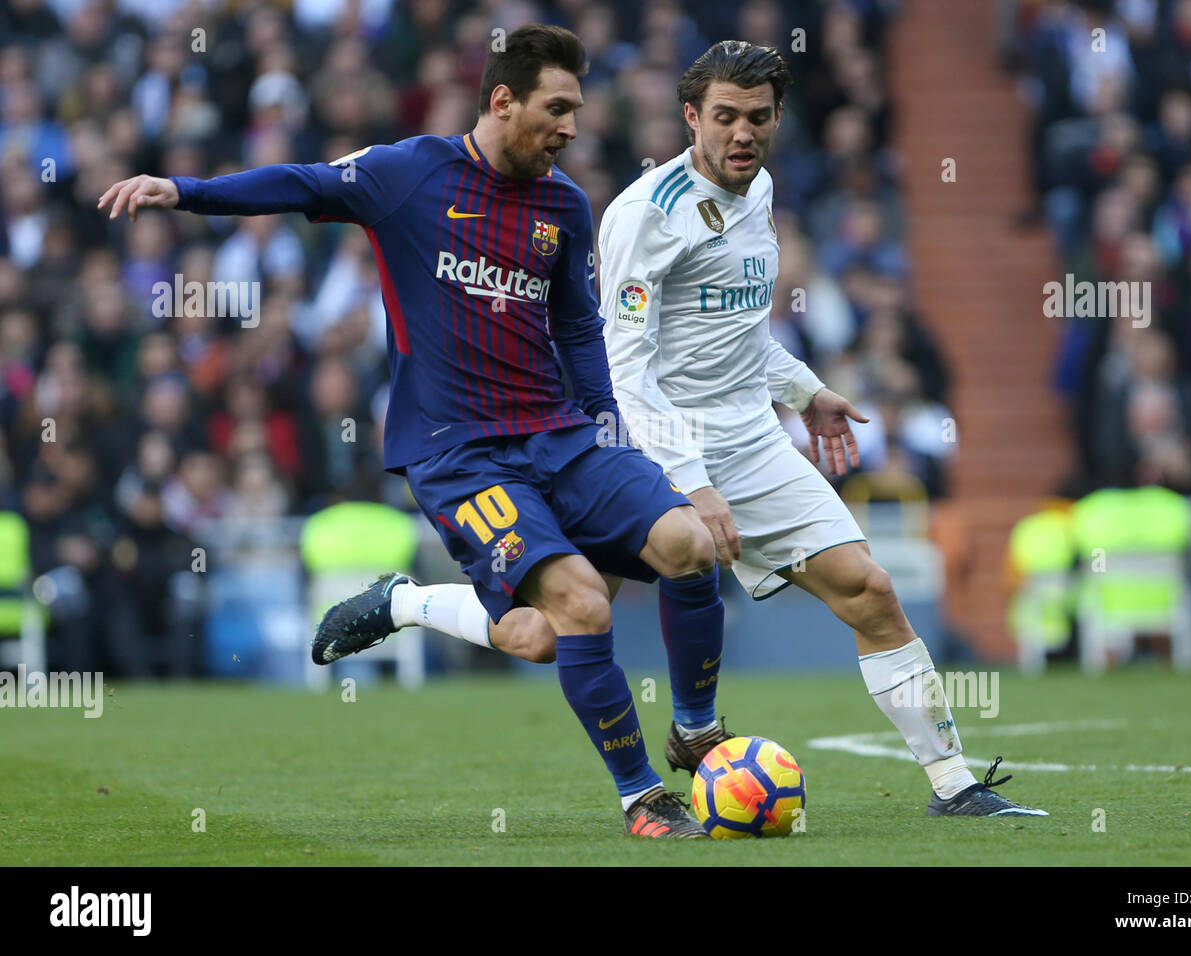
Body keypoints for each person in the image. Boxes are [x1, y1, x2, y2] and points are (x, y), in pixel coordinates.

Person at [98, 24, 723, 838]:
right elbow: (298, 180)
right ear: (503, 100)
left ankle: (695, 728)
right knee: (579, 607)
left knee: (680, 550)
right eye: (558, 108)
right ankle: (643, 798)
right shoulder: (409, 174)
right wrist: (183, 190)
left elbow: (577, 331)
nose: (573, 127)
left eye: (577, 109)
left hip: (562, 435)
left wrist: (609, 429)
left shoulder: (564, 204)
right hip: (457, 452)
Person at [419, 41, 1048, 818]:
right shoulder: (644, 217)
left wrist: (806, 389)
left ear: (778, 117)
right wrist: (692, 482)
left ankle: (954, 786)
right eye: (724, 117)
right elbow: (623, 368)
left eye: (758, 117)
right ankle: (407, 604)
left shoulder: (762, 190)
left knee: (871, 590)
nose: (742, 133)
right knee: (545, 629)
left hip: (750, 439)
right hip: (645, 442)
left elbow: (741, 334)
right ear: (691, 117)